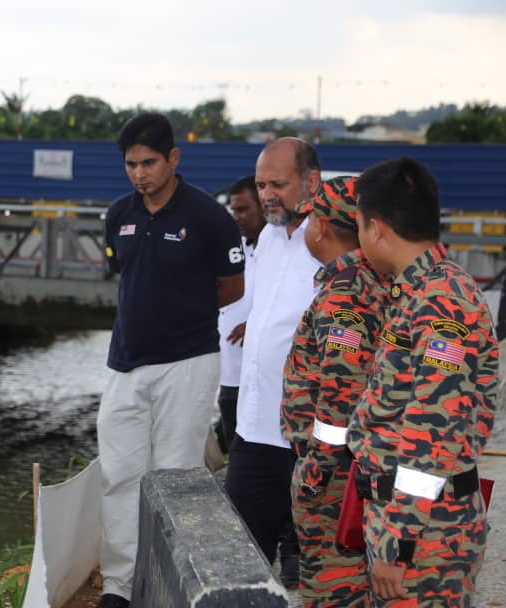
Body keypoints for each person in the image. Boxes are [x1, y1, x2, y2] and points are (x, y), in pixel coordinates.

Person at [97, 112, 245, 608]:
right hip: (125, 364)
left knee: (175, 476)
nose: (141, 173)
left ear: (173, 158)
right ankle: (120, 585)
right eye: (132, 164)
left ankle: (167, 584)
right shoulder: (119, 214)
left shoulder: (208, 217)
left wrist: (182, 314)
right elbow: (124, 275)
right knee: (119, 474)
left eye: (150, 162)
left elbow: (231, 287)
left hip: (187, 361)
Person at [347, 157, 498, 606]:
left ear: (376, 228)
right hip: (412, 521)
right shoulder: (417, 291)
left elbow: (434, 431)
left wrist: (399, 540)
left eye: (357, 226)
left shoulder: (441, 302)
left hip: (426, 535)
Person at [281, 176, 387, 606]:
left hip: (337, 477)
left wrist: (315, 473)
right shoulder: (373, 281)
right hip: (358, 468)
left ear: (321, 227)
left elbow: (341, 394)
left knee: (333, 590)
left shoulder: (345, 296)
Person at [224, 137, 322, 585]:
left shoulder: (331, 240)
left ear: (311, 181)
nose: (266, 195)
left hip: (307, 434)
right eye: (262, 184)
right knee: (238, 555)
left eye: (277, 184)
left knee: (314, 564)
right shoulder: (266, 235)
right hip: (254, 425)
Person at [217, 175, 265, 452]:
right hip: (229, 376)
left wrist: (257, 325)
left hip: (260, 379)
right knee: (235, 458)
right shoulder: (236, 249)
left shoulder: (284, 250)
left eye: (243, 209)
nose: (236, 217)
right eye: (233, 210)